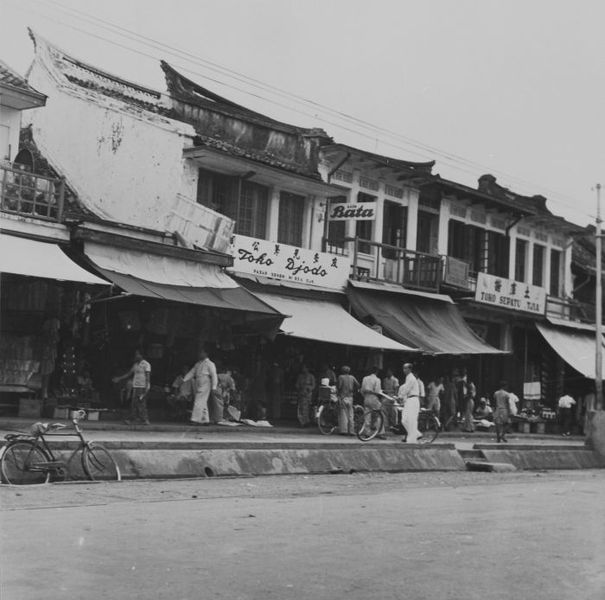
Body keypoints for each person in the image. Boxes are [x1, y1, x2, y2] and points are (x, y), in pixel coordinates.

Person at [113, 349, 151, 425]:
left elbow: (147, 377)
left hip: (143, 386)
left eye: (137, 354)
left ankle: (143, 419)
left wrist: (146, 388)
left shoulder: (146, 364)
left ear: (141, 355)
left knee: (141, 402)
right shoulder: (135, 365)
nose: (136, 356)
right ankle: (137, 419)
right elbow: (129, 374)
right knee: (134, 403)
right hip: (136, 386)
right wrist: (119, 378)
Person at [183, 347, 218, 425]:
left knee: (198, 400)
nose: (200, 354)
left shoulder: (210, 364)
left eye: (201, 352)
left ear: (206, 354)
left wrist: (214, 386)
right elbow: (192, 372)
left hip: (206, 382)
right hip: (198, 381)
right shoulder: (198, 364)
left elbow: (214, 375)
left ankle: (195, 419)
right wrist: (184, 380)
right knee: (202, 401)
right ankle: (205, 420)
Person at [361, 366, 386, 439]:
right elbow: (377, 391)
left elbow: (362, 389)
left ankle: (367, 432)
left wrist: (365, 396)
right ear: (376, 372)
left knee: (367, 415)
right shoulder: (377, 379)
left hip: (366, 397)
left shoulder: (365, 378)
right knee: (379, 414)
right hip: (373, 397)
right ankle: (380, 432)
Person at [398, 363, 421, 443]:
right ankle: (417, 433)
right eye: (403, 368)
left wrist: (400, 396)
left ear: (410, 369)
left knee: (412, 420)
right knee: (404, 420)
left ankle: (412, 440)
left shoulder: (411, 378)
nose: (404, 370)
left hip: (413, 400)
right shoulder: (407, 378)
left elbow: (407, 389)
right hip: (409, 400)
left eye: (406, 368)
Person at [337, 366, 359, 435]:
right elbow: (358, 384)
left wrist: (338, 391)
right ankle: (351, 431)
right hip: (350, 397)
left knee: (343, 414)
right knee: (350, 415)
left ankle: (344, 430)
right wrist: (354, 391)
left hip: (343, 397)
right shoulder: (352, 377)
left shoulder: (341, 377)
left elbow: (339, 386)